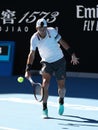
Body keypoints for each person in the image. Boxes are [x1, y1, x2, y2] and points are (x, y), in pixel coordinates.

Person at [25, 18, 79, 118]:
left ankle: (61, 100)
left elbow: (62, 42)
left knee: (61, 87)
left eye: (44, 28)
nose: (42, 30)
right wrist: (27, 69)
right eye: (40, 28)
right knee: (45, 84)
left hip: (60, 61)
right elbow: (31, 54)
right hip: (46, 62)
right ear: (37, 28)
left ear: (46, 27)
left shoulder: (52, 31)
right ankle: (44, 108)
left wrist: (72, 54)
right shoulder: (34, 38)